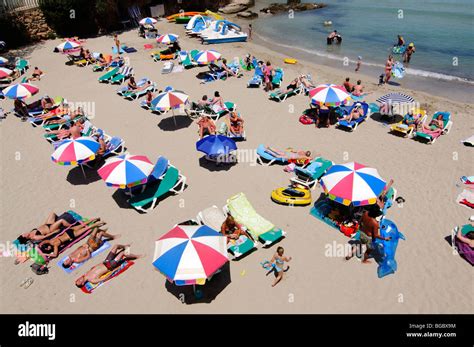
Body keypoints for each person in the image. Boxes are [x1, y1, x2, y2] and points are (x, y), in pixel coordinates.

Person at [75, 245, 143, 288]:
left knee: (116, 246)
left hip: (106, 261)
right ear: (83, 283)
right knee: (122, 253)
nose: (79, 279)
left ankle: (125, 246)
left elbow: (95, 266)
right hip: (110, 266)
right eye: (79, 281)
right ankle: (137, 256)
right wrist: (113, 270)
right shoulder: (92, 280)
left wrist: (102, 261)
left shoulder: (86, 273)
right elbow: (105, 278)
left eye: (78, 279)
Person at [38, 219, 105, 259]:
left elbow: (55, 255)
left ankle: (99, 223)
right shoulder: (50, 241)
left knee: (86, 228)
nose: (49, 248)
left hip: (71, 235)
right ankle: (96, 219)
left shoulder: (55, 245)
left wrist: (45, 254)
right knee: (83, 224)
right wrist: (39, 247)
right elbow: (42, 242)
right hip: (68, 231)